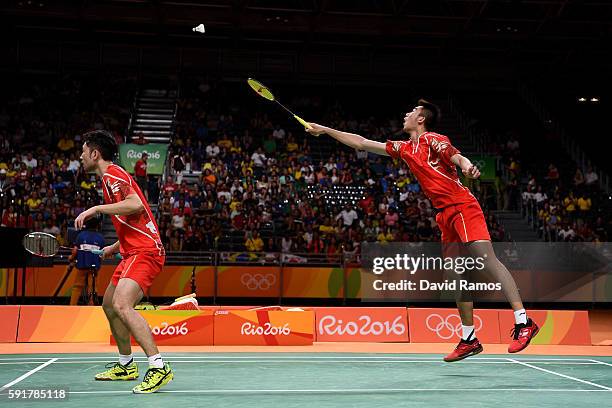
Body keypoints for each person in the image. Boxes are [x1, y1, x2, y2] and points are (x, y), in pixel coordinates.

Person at [306, 99, 539, 362]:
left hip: (462, 205)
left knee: (487, 260)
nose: (406, 114)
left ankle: (524, 322)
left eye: (411, 112)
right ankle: (469, 338)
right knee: (456, 276)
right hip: (444, 216)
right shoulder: (405, 149)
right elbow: (361, 142)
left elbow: (454, 154)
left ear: (421, 119)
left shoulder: (432, 139)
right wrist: (324, 129)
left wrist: (465, 166)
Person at [74, 130, 172, 393]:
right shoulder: (110, 179)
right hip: (133, 251)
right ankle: (126, 364)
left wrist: (95, 209)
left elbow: (136, 205)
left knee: (122, 304)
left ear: (95, 154)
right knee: (109, 305)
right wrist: (114, 246)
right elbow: (134, 220)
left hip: (146, 252)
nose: (81, 157)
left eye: (83, 152)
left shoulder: (113, 174)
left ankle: (158, 367)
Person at [70, 217, 106, 305]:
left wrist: (71, 258)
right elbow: (102, 255)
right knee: (92, 288)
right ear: (97, 226)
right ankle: (91, 307)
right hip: (94, 268)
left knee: (77, 287)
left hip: (82, 266)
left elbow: (75, 251)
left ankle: (72, 306)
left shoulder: (81, 235)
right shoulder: (101, 238)